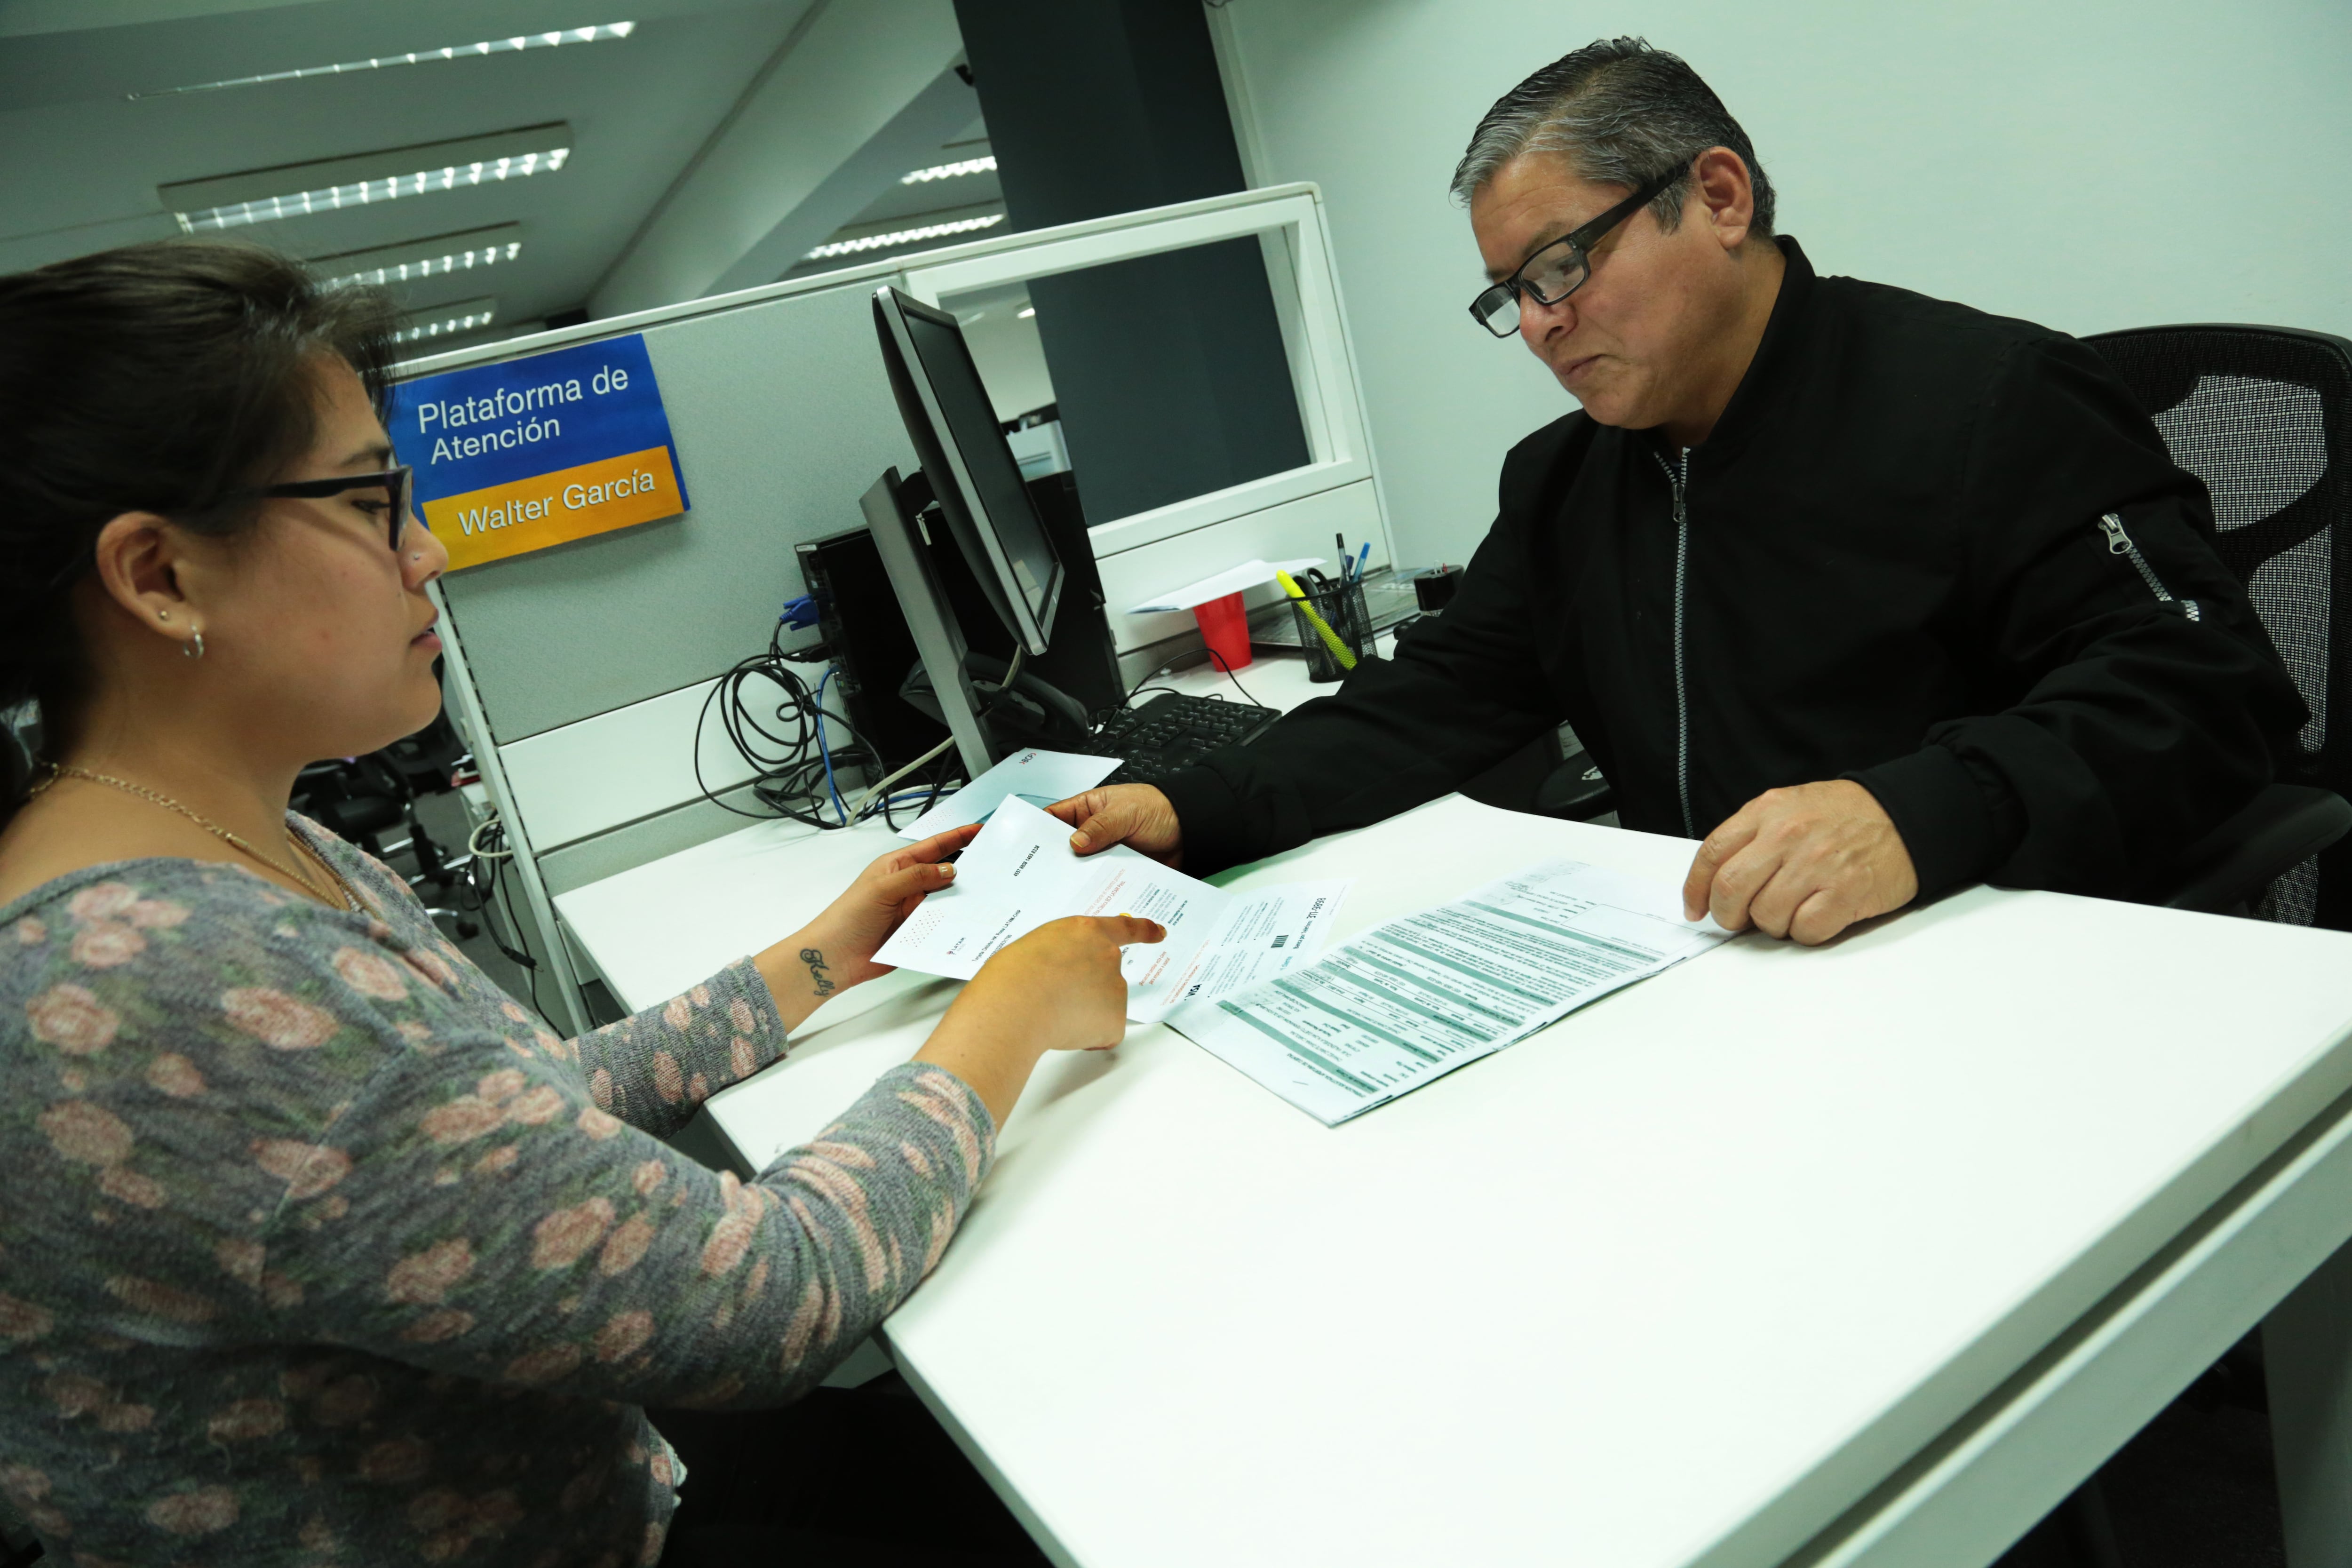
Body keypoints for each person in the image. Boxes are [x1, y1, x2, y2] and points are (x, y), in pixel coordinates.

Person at [0, 241, 1160, 1565]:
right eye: (376, 502)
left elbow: (493, 1116)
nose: (428, 551)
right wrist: (1011, 1005)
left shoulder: (215, 848)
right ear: (158, 575)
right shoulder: (161, 984)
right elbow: (776, 1290)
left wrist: (816, 959)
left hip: (595, 1478)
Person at [1051, 38, 2305, 947]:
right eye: (1511, 296)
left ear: (1716, 196)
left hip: (1988, 955)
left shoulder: (1990, 400)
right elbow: (1428, 702)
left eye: (1561, 268)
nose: (1540, 327)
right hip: (1721, 977)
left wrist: (1921, 810)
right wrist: (1186, 806)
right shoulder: (1564, 487)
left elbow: (2207, 690)